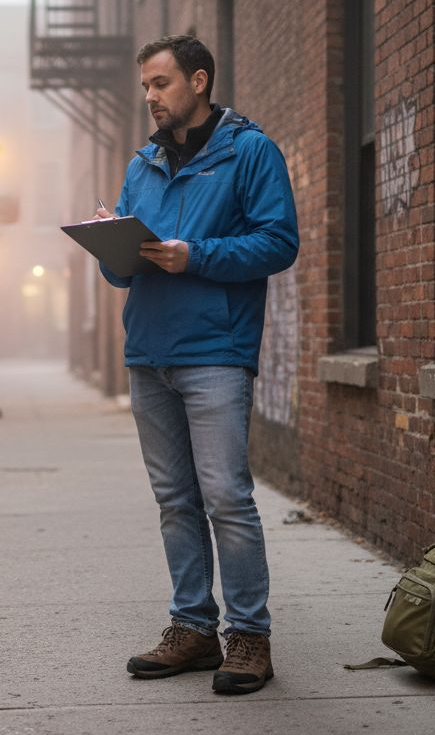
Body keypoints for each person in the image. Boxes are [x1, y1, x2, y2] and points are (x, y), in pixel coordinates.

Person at [97, 34, 298, 694]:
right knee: (175, 501)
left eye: (160, 84)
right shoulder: (142, 164)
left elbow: (278, 242)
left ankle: (248, 638)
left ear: (200, 80)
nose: (150, 97)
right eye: (146, 87)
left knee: (226, 499)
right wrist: (109, 242)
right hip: (147, 353)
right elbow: (122, 276)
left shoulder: (250, 153)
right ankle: (192, 629)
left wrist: (197, 255)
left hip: (215, 353)